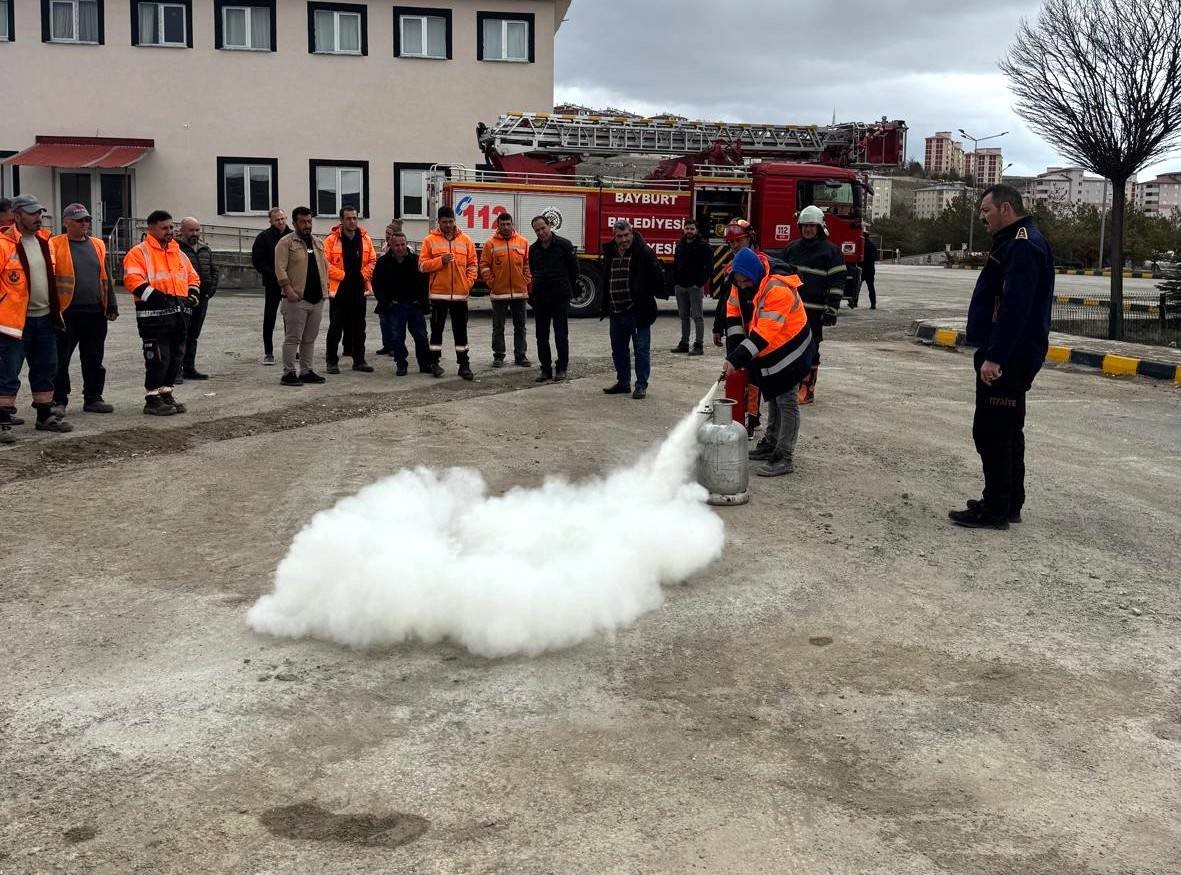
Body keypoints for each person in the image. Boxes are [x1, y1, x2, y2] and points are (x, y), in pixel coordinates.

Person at [949, 184, 1053, 530]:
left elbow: (1014, 308)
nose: (983, 218)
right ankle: (1007, 502)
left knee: (992, 431)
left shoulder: (1022, 246)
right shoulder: (1015, 241)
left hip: (1009, 354)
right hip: (1010, 350)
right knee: (1007, 429)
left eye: (986, 211)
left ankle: (996, 508)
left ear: (1005, 209)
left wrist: (995, 357)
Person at [722, 248, 814, 477]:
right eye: (739, 282)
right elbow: (733, 315)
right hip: (770, 348)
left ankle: (784, 456)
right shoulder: (740, 279)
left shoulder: (778, 288)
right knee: (773, 394)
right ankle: (771, 444)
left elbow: (764, 333)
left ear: (753, 275)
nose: (741, 286)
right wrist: (734, 352)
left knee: (786, 400)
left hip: (792, 347)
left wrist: (736, 359)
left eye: (745, 282)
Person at [0, 194, 71, 441]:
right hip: (13, 322)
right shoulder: (3, 243)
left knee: (46, 368)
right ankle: (2, 421)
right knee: (7, 371)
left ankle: (45, 415)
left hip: (45, 318)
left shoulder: (46, 241)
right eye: (32, 213)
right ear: (17, 216)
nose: (38, 218)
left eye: (40, 213)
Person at [122, 209, 201, 416]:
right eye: (164, 228)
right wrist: (159, 297)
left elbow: (193, 277)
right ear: (151, 229)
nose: (170, 231)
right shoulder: (139, 253)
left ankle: (166, 392)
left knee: (176, 356)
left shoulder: (178, 253)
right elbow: (133, 280)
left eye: (171, 227)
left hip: (179, 316)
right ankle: (152, 398)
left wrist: (192, 295)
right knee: (158, 358)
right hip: (153, 317)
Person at [49, 203, 117, 415]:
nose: (84, 224)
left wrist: (111, 303)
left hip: (95, 312)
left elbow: (105, 275)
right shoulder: (54, 244)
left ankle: (93, 398)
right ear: (66, 222)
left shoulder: (97, 244)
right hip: (67, 311)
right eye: (79, 220)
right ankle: (59, 400)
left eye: (86, 220)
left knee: (94, 357)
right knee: (61, 359)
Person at [714, 218, 773, 437]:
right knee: (737, 374)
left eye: (739, 241)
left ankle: (752, 419)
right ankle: (740, 417)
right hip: (739, 329)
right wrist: (718, 327)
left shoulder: (760, 267)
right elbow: (726, 302)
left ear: (750, 238)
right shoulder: (732, 269)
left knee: (755, 378)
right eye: (731, 243)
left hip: (759, 332)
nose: (735, 246)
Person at [782, 205, 844, 405]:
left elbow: (837, 283)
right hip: (792, 312)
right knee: (790, 349)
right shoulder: (791, 249)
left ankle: (807, 389)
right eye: (805, 226)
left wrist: (831, 310)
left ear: (819, 227)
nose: (808, 229)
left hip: (815, 312)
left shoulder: (831, 252)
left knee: (811, 349)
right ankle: (792, 386)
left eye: (812, 226)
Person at [600, 219, 664, 400]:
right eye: (619, 236)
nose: (623, 239)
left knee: (641, 350)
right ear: (614, 236)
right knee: (618, 349)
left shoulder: (643, 251)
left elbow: (657, 276)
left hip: (637, 311)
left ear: (632, 233)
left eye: (626, 235)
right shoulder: (610, 252)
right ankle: (623, 383)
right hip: (616, 310)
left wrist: (644, 295)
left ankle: (641, 385)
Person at [420, 205, 478, 380]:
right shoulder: (429, 240)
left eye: (451, 221)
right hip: (438, 295)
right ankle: (435, 363)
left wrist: (467, 284)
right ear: (439, 222)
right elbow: (422, 266)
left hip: (460, 295)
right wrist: (440, 261)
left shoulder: (466, 240)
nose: (448, 225)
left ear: (454, 221)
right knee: (436, 331)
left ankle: (464, 365)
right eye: (445, 222)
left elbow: (473, 265)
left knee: (461, 332)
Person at [273, 206, 328, 386]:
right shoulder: (286, 243)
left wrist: (324, 292)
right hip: (296, 299)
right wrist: (288, 290)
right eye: (303, 221)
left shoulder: (318, 243)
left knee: (309, 338)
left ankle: (306, 370)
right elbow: (280, 268)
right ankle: (288, 373)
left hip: (316, 299)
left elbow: (324, 268)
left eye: (309, 221)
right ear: (295, 223)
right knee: (293, 337)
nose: (307, 225)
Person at [371, 226, 430, 376]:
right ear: (390, 245)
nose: (400, 248)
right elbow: (377, 284)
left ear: (406, 244)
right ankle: (401, 364)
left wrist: (422, 302)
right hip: (395, 307)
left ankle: (424, 364)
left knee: (421, 336)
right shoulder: (383, 263)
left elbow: (425, 283)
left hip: (414, 306)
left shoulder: (416, 261)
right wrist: (386, 302)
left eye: (403, 244)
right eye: (397, 245)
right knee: (397, 338)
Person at [324, 206, 376, 374]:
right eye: (348, 218)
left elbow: (373, 260)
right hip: (339, 291)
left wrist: (363, 275)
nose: (352, 221)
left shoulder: (365, 239)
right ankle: (332, 362)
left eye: (354, 218)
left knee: (359, 328)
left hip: (359, 290)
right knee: (335, 328)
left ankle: (359, 361)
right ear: (341, 220)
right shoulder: (331, 240)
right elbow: (324, 264)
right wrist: (343, 275)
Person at [528, 215, 578, 382]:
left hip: (560, 297)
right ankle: (545, 369)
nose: (541, 232)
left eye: (543, 228)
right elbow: (534, 272)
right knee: (541, 336)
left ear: (549, 226)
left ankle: (561, 368)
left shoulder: (564, 245)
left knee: (560, 335)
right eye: (537, 230)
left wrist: (566, 289)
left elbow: (574, 271)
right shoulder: (533, 249)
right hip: (541, 298)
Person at [480, 212, 532, 368]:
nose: (505, 227)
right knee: (498, 327)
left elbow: (528, 264)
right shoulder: (490, 244)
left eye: (508, 224)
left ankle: (520, 356)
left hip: (519, 293)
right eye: (502, 224)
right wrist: (492, 283)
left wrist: (526, 280)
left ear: (512, 224)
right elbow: (484, 266)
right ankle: (498, 356)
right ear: (498, 225)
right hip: (499, 293)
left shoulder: (523, 242)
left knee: (520, 326)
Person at [176, 217, 218, 382]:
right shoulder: (176, 249)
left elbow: (214, 271)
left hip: (202, 298)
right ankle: (176, 370)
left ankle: (189, 368)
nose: (195, 233)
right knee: (181, 334)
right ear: (182, 230)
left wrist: (210, 291)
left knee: (193, 334)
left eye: (197, 230)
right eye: (191, 230)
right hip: (183, 299)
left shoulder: (205, 249)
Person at [251, 207, 292, 365]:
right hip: (272, 284)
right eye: (277, 220)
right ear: (271, 221)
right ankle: (268, 352)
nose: (281, 222)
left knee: (291, 318)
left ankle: (291, 349)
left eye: (283, 219)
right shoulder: (263, 237)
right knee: (270, 318)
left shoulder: (293, 236)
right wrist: (275, 275)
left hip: (292, 283)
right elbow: (258, 261)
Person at [670, 218, 712, 355]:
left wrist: (698, 283)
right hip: (680, 287)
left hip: (694, 287)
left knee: (697, 316)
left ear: (696, 230)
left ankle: (699, 345)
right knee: (683, 316)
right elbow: (676, 264)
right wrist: (676, 281)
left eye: (692, 228)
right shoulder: (680, 244)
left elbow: (709, 269)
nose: (689, 231)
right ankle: (684, 343)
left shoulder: (703, 246)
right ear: (684, 229)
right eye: (687, 228)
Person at [860, 230, 877, 309]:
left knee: (857, 286)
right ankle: (873, 304)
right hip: (870, 269)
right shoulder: (872, 245)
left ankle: (854, 302)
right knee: (871, 287)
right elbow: (876, 257)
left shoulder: (861, 244)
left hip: (862, 268)